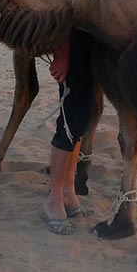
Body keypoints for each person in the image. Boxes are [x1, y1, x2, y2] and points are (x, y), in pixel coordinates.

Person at [41, 30, 96, 235]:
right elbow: (65, 10)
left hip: (90, 44)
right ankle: (53, 199)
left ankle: (68, 190)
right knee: (69, 121)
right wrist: (62, 54)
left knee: (81, 121)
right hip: (74, 46)